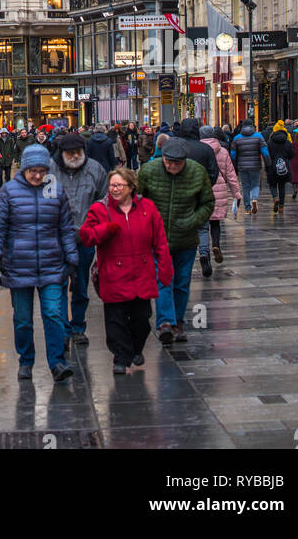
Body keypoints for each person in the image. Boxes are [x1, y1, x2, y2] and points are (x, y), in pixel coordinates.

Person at [0, 144, 77, 383]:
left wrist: (72, 259)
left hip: (51, 264)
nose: (37, 176)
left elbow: (66, 228)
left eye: (41, 171)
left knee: (53, 314)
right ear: (24, 169)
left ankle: (57, 362)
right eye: (32, 171)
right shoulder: (9, 191)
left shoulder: (55, 190)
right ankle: (26, 360)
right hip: (19, 265)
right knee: (23, 319)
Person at [79, 167, 173, 373]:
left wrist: (165, 267)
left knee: (142, 317)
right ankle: (120, 358)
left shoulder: (147, 207)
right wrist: (104, 230)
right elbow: (85, 236)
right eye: (112, 185)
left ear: (131, 187)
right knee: (115, 320)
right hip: (113, 274)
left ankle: (135, 348)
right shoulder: (99, 209)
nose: (115, 189)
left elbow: (160, 241)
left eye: (119, 185)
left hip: (142, 272)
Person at [138, 137, 214, 344]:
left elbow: (207, 203)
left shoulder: (197, 172)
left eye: (177, 163)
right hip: (157, 239)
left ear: (184, 160)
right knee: (163, 280)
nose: (171, 166)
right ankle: (165, 323)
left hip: (186, 239)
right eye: (168, 161)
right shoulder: (149, 171)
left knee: (181, 282)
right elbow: (137, 200)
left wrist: (193, 220)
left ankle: (178, 322)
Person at [51, 130, 108, 346]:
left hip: (85, 238)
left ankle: (78, 326)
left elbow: (103, 200)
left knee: (81, 284)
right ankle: (63, 329)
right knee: (59, 283)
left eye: (78, 152)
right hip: (57, 239)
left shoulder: (95, 169)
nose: (75, 156)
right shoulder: (51, 170)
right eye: (70, 153)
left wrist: (96, 226)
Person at [176, 117, 220, 276]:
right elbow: (214, 171)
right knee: (202, 226)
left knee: (182, 226)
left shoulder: (178, 148)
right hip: (200, 191)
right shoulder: (206, 149)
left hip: (181, 193)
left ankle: (182, 258)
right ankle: (203, 252)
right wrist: (207, 186)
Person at [200, 125, 240, 265]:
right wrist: (237, 193)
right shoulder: (222, 151)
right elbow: (230, 174)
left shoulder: (199, 150)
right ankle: (216, 244)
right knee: (216, 222)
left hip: (203, 188)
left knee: (203, 224)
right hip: (219, 189)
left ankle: (204, 252)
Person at [230, 120, 270, 214]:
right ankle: (254, 199)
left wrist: (234, 165)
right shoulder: (258, 136)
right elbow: (265, 151)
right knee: (255, 184)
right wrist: (268, 163)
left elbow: (232, 154)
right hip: (255, 165)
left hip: (242, 165)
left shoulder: (237, 138)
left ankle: (247, 207)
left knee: (245, 186)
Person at [266, 120, 293, 214]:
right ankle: (281, 206)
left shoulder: (270, 142)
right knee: (282, 186)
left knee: (272, 184)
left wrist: (267, 165)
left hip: (272, 166)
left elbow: (267, 154)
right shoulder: (287, 142)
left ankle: (275, 197)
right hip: (284, 166)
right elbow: (291, 154)